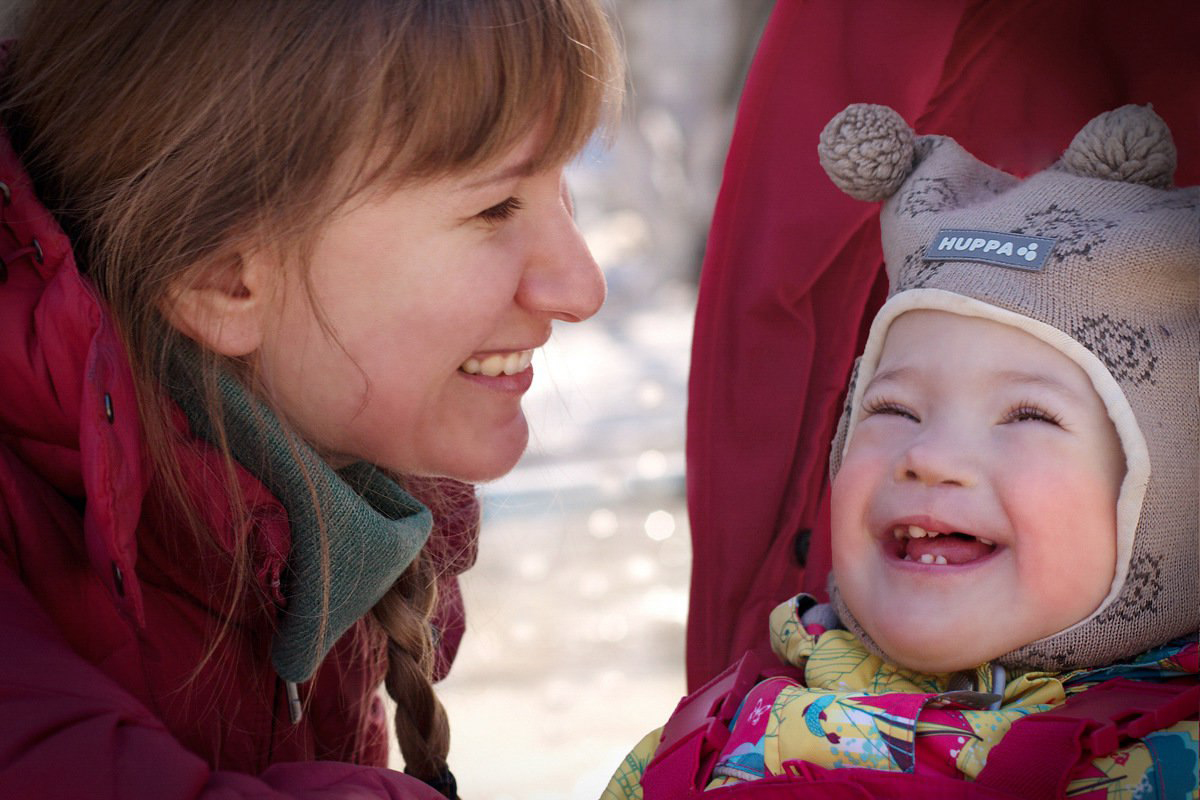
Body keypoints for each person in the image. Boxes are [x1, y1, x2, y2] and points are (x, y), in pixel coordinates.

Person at [0, 1, 621, 798]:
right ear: (225, 277)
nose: (582, 288)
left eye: (563, 188)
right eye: (495, 207)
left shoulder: (312, 506)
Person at [604, 104, 1197, 798]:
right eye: (892, 409)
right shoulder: (706, 743)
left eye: (1029, 415)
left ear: (1171, 494)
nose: (930, 456)